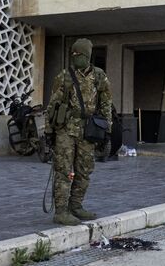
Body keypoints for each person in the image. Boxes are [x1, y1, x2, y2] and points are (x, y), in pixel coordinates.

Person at [44, 38, 113, 225]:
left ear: (87, 56)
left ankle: (76, 206)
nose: (75, 57)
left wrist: (107, 129)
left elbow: (106, 104)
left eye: (79, 54)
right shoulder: (64, 76)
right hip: (66, 128)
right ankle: (60, 211)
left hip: (89, 129)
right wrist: (48, 131)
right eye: (73, 54)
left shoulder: (99, 76)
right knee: (64, 170)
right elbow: (52, 105)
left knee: (84, 170)